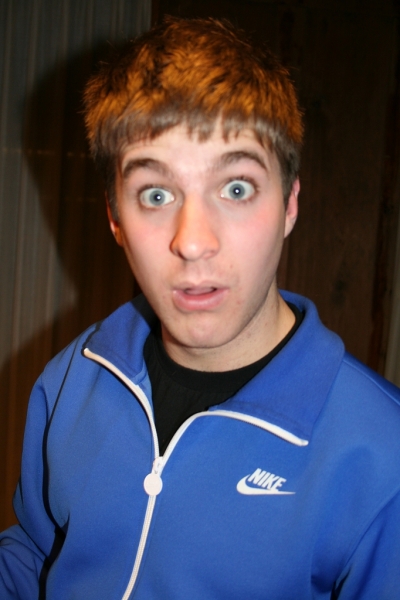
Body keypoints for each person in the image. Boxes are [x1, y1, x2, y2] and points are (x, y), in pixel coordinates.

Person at [1, 16, 400, 600]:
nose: (192, 242)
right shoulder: (71, 379)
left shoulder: (382, 455)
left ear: (290, 205)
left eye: (236, 188)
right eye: (156, 194)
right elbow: (37, 554)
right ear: (115, 218)